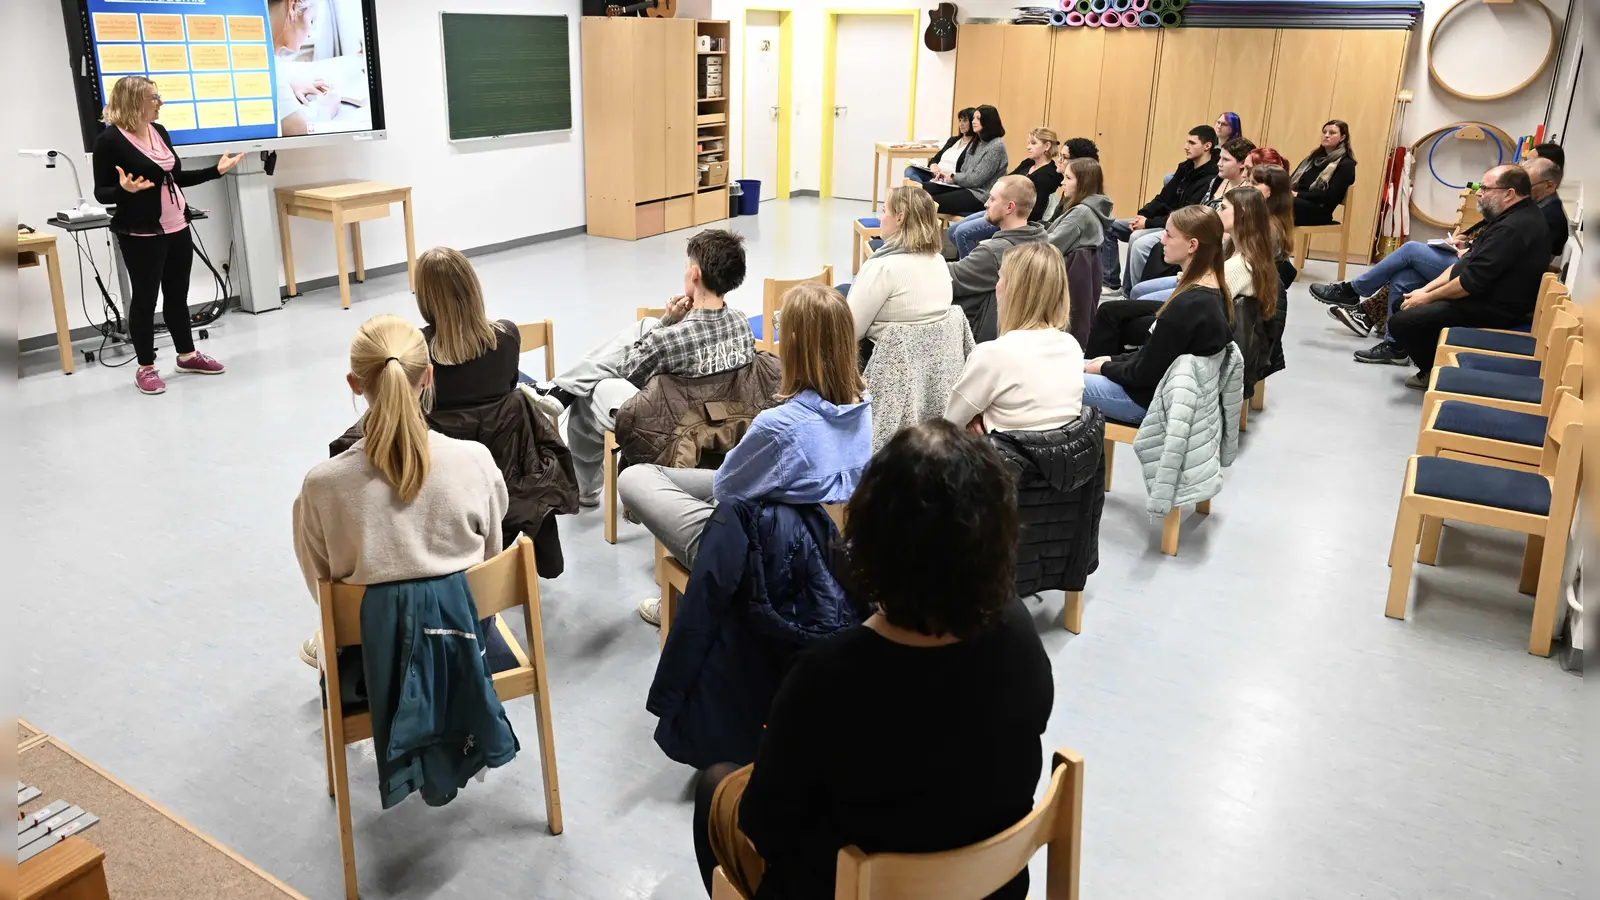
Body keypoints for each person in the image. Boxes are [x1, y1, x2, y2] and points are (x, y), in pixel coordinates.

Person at [692, 419, 1052, 900]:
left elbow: (767, 829)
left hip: (845, 888)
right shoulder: (1019, 634)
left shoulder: (827, 678)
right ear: (997, 534)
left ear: (868, 532)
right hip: (991, 887)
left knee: (715, 786)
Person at [619, 283, 871, 624]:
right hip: (821, 545)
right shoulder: (862, 404)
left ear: (794, 344)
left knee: (635, 477)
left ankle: (685, 600)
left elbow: (726, 490)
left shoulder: (779, 425)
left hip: (762, 556)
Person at [293, 314, 508, 665]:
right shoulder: (476, 461)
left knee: (321, 643)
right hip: (466, 639)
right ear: (428, 375)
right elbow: (491, 555)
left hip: (374, 650)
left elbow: (322, 587)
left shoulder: (320, 486)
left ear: (355, 383)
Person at [532, 230, 755, 505]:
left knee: (591, 392)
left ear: (695, 274)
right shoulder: (741, 323)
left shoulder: (670, 340)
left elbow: (627, 370)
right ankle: (562, 388)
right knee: (646, 326)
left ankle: (584, 485)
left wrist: (666, 325)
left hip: (669, 426)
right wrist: (665, 323)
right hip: (718, 413)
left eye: (686, 267)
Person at [91, 75, 242, 395]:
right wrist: (123, 189)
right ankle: (145, 367)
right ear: (134, 102)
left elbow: (175, 178)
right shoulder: (109, 141)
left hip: (178, 225)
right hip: (140, 232)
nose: (160, 103)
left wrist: (216, 171)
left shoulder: (159, 132)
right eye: (154, 98)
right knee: (145, 300)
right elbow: (102, 192)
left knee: (177, 295)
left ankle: (186, 355)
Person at [1384, 165, 1552, 388]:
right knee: (1403, 303)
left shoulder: (1514, 227)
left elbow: (1469, 283)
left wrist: (1427, 298)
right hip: (1484, 296)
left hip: (1499, 309)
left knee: (1402, 321)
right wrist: (1424, 291)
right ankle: (1436, 363)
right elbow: (1464, 264)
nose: (1479, 193)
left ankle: (1434, 372)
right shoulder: (1509, 216)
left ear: (1509, 193)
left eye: (1485, 188)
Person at [1082, 206, 1234, 424]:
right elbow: (1154, 357)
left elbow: (1144, 374)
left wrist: (1105, 367)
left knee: (1056, 382)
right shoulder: (1209, 290)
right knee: (1079, 363)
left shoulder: (1188, 305)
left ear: (1192, 245)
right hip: (1156, 389)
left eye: (1169, 235)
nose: (1162, 240)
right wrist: (1112, 359)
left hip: (1146, 401)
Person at [944, 241, 1084, 434]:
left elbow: (951, 425)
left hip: (1001, 460)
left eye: (1001, 277)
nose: (997, 285)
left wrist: (983, 420)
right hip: (1062, 461)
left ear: (1014, 290)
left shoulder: (993, 354)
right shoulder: (1072, 347)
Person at [1099, 125, 1219, 295]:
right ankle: (1110, 282)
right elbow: (1162, 197)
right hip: (1160, 220)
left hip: (1176, 226)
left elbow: (1185, 215)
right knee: (1110, 226)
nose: (1186, 146)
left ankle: (1132, 294)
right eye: (1187, 141)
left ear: (1207, 146)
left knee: (1138, 240)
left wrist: (1147, 223)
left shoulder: (1210, 177)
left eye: (1192, 143)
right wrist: (1142, 215)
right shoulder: (1185, 168)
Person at [411, 247, 523, 411]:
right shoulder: (507, 335)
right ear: (472, 286)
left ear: (425, 298)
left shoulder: (418, 350)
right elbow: (510, 386)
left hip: (441, 436)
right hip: (499, 435)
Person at [845, 187, 952, 347]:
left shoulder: (882, 268)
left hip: (882, 360)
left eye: (884, 211)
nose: (880, 219)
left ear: (899, 217)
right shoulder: (939, 261)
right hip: (929, 358)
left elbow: (850, 331)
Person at [948, 175, 1049, 342]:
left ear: (1009, 207)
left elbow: (947, 280)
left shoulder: (993, 253)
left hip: (982, 339)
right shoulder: (1044, 242)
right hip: (1026, 336)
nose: (986, 204)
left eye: (992, 199)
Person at [948, 127, 1062, 257]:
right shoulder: (1028, 163)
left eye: (1033, 143)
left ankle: (974, 270)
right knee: (952, 231)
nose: (1028, 147)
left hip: (1013, 217)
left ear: (1047, 146)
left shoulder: (1048, 175)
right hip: (1000, 207)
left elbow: (1034, 210)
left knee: (962, 233)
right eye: (1028, 143)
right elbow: (1005, 181)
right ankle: (981, 262)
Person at [270, 0, 340, 137]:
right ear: (292, 6)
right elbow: (298, 129)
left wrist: (289, 85)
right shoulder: (267, 66)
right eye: (311, 21)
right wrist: (327, 108)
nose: (309, 33)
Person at [923, 105, 1009, 216]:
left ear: (987, 121)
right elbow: (964, 169)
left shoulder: (996, 146)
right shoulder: (978, 141)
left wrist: (953, 177)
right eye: (973, 118)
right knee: (921, 190)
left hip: (981, 194)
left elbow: (976, 179)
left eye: (978, 118)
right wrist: (949, 178)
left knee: (929, 202)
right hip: (964, 187)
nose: (973, 122)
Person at [1290, 120, 1356, 226]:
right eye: (1324, 132)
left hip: (1319, 210)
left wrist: (1298, 194)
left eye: (1332, 133)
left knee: (1280, 204)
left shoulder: (1346, 164)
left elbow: (1331, 196)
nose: (1326, 135)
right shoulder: (1312, 158)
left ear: (1343, 137)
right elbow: (1291, 179)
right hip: (1299, 202)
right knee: (1266, 198)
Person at [1045, 156, 1114, 256]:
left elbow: (1048, 248)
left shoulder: (1080, 214)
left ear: (1084, 183)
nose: (1062, 182)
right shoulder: (1091, 209)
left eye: (1068, 178)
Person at [906, 107, 975, 184]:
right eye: (960, 120)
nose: (961, 124)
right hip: (934, 175)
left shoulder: (975, 145)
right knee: (910, 170)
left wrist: (949, 176)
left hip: (947, 179)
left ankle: (921, 192)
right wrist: (933, 165)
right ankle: (922, 192)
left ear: (973, 122)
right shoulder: (953, 140)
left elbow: (964, 173)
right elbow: (935, 158)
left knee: (919, 186)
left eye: (965, 120)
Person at [1249, 162, 1296, 255]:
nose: (1247, 186)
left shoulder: (1269, 228)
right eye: (1249, 181)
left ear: (1270, 190)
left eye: (1254, 183)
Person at [1526, 157, 1569, 258]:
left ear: (1549, 186)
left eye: (1527, 186)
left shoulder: (1549, 218)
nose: (1521, 190)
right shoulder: (1538, 206)